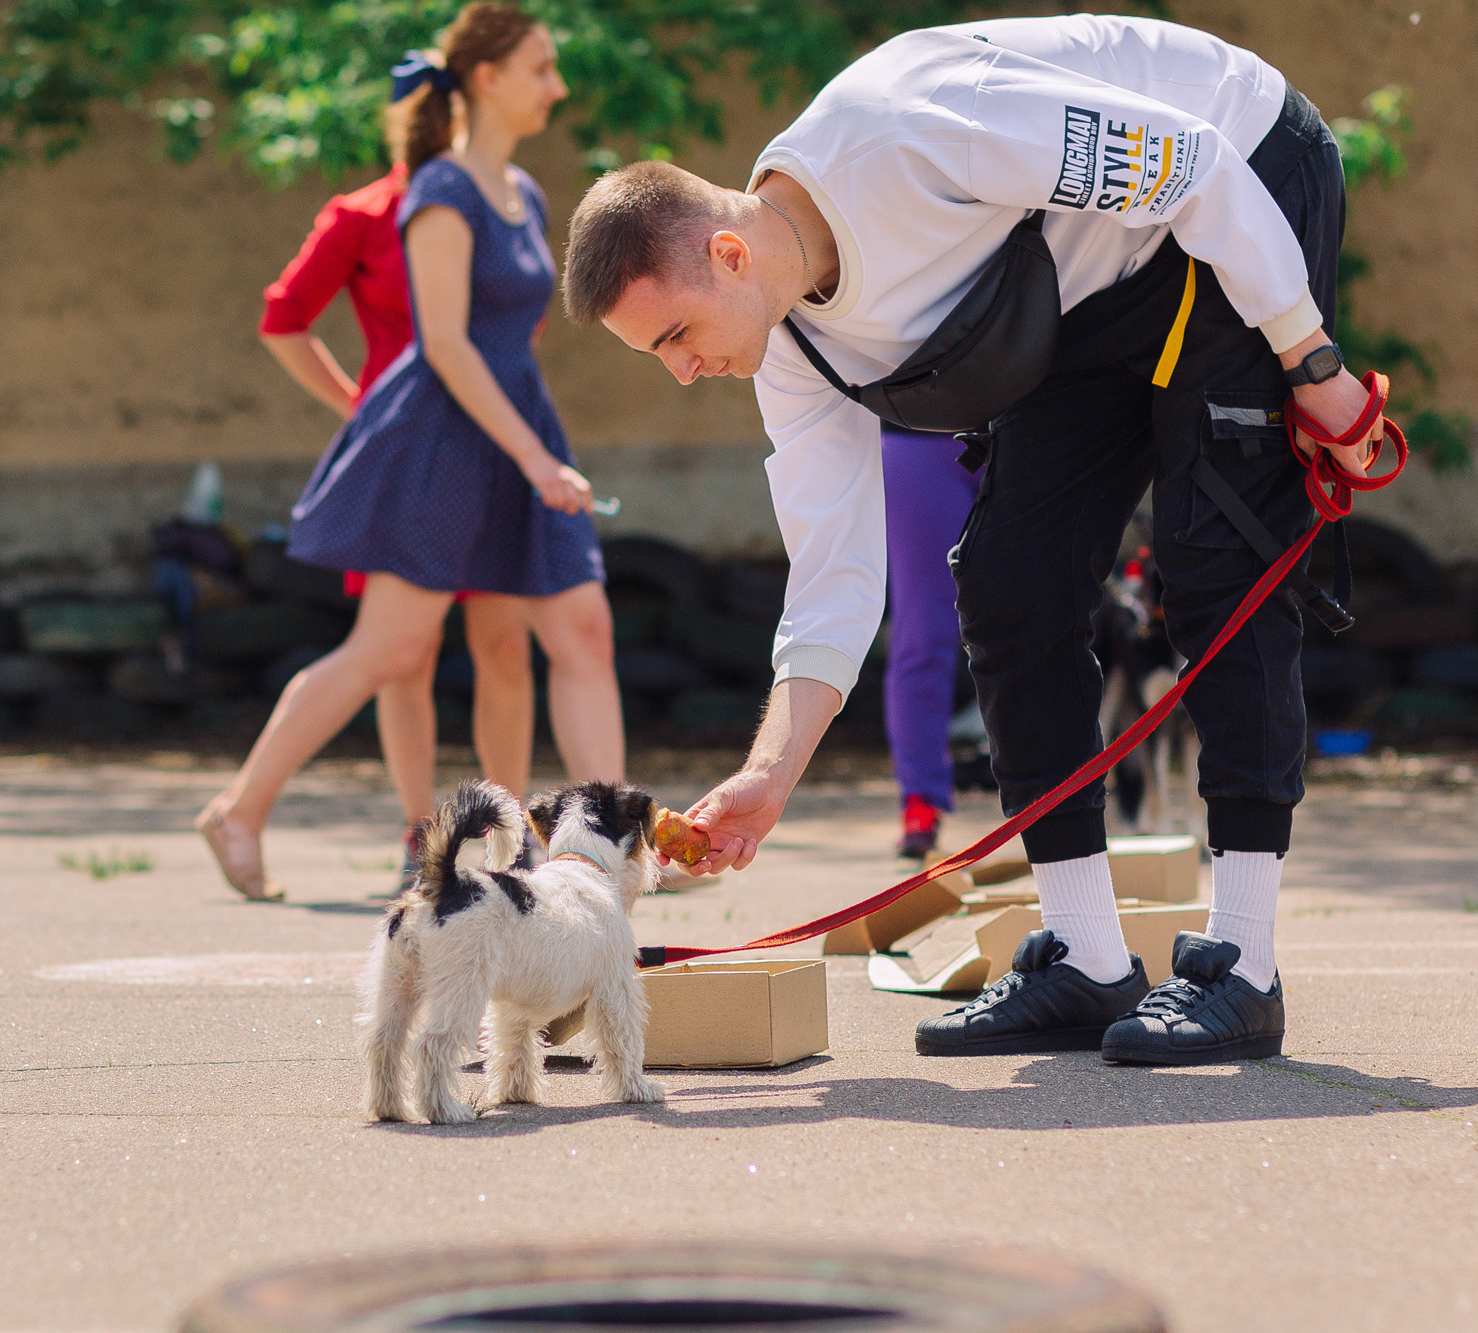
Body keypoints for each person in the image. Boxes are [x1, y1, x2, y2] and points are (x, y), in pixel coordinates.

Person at [563, 14, 1386, 1065]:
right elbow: (834, 576)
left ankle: (1243, 965)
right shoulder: (788, 351)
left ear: (727, 253)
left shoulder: (910, 132)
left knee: (1213, 563)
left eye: (673, 336)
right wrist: (768, 775)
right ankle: (1088, 959)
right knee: (1005, 583)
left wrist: (1312, 365)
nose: (680, 369)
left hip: (1239, 170)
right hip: (1084, 290)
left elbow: (1195, 166)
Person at [197, 2, 624, 903]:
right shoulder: (440, 190)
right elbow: (443, 343)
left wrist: (534, 448)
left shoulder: (527, 192)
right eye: (542, 68)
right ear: (487, 77)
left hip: (514, 430)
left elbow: (513, 338)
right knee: (387, 649)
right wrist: (534, 459)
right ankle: (239, 808)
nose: (559, 86)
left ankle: (598, 854)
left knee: (574, 628)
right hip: (445, 444)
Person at [235, 144, 535, 899]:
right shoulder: (365, 214)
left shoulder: (505, 198)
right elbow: (283, 319)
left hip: (492, 446)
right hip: (409, 459)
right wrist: (357, 407)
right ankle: (418, 833)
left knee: (504, 642)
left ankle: (513, 838)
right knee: (405, 652)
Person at [881, 426, 979, 859]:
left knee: (1049, 621)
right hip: (920, 435)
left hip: (1026, 427)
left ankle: (1066, 793)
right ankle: (920, 798)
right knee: (924, 634)